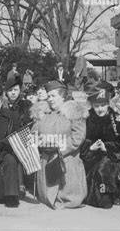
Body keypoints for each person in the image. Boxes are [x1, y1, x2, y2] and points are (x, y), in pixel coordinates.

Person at [31, 80, 88, 209]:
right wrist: (40, 142)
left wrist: (58, 148)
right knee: (46, 195)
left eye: (53, 96)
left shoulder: (74, 111)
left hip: (67, 159)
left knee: (70, 195)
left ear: (62, 96)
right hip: (46, 158)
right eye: (48, 96)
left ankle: (67, 197)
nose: (50, 99)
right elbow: (34, 134)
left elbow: (77, 137)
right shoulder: (42, 113)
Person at [81, 83, 120, 208]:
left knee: (104, 166)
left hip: (112, 158)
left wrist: (107, 147)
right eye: (97, 106)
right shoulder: (87, 118)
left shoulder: (115, 119)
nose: (100, 109)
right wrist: (90, 147)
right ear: (92, 105)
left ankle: (108, 194)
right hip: (89, 156)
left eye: (103, 105)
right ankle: (97, 196)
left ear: (108, 104)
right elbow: (81, 139)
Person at [4, 75, 32, 196]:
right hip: (7, 139)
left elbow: (29, 122)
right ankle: (16, 184)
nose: (13, 93)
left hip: (24, 137)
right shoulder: (3, 106)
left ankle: (21, 184)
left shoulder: (26, 105)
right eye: (10, 90)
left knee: (18, 149)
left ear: (20, 90)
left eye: (15, 90)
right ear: (6, 92)